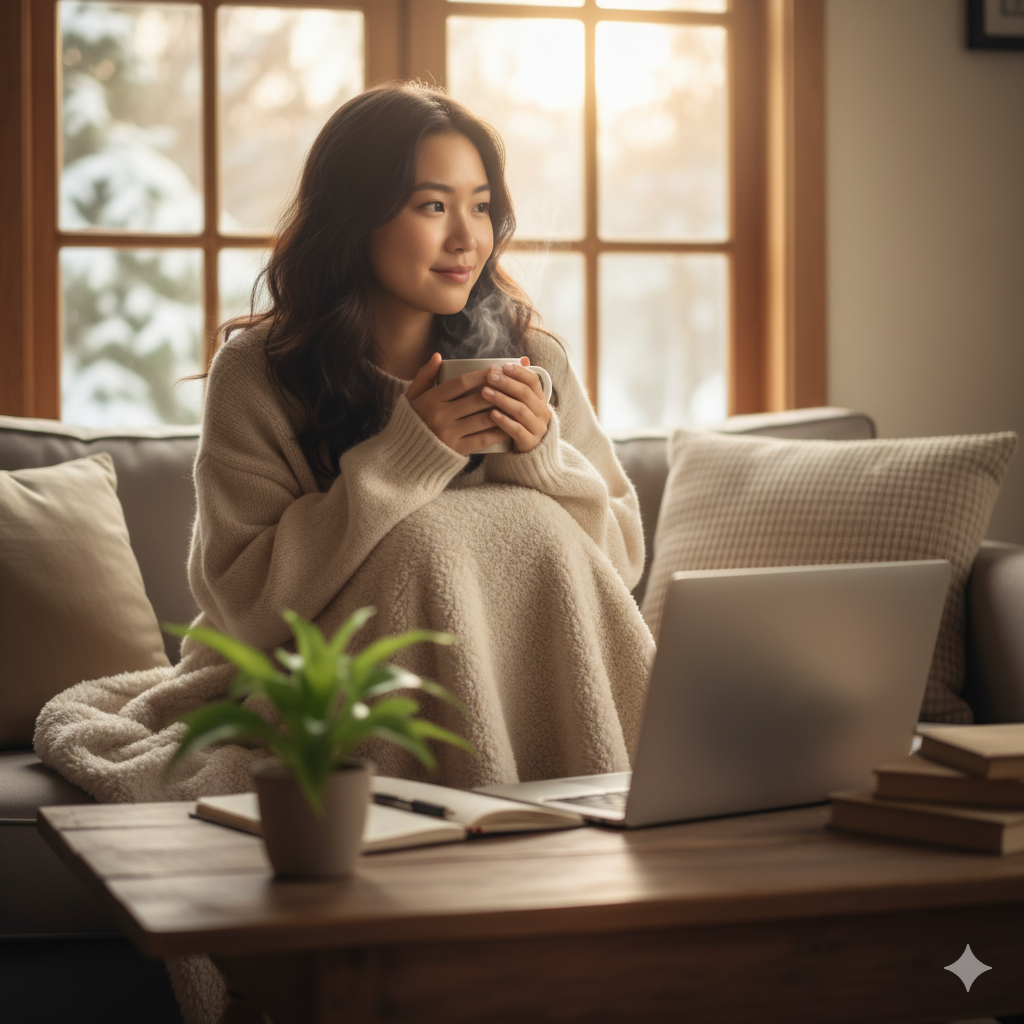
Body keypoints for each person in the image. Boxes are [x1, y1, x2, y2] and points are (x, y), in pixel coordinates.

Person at [35, 81, 655, 804]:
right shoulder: (262, 374)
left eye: (481, 206)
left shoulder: (531, 359)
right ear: (356, 216)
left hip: (526, 682)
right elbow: (247, 606)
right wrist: (403, 458)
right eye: (433, 206)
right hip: (310, 680)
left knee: (518, 524)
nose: (466, 238)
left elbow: (616, 567)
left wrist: (542, 460)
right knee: (428, 538)